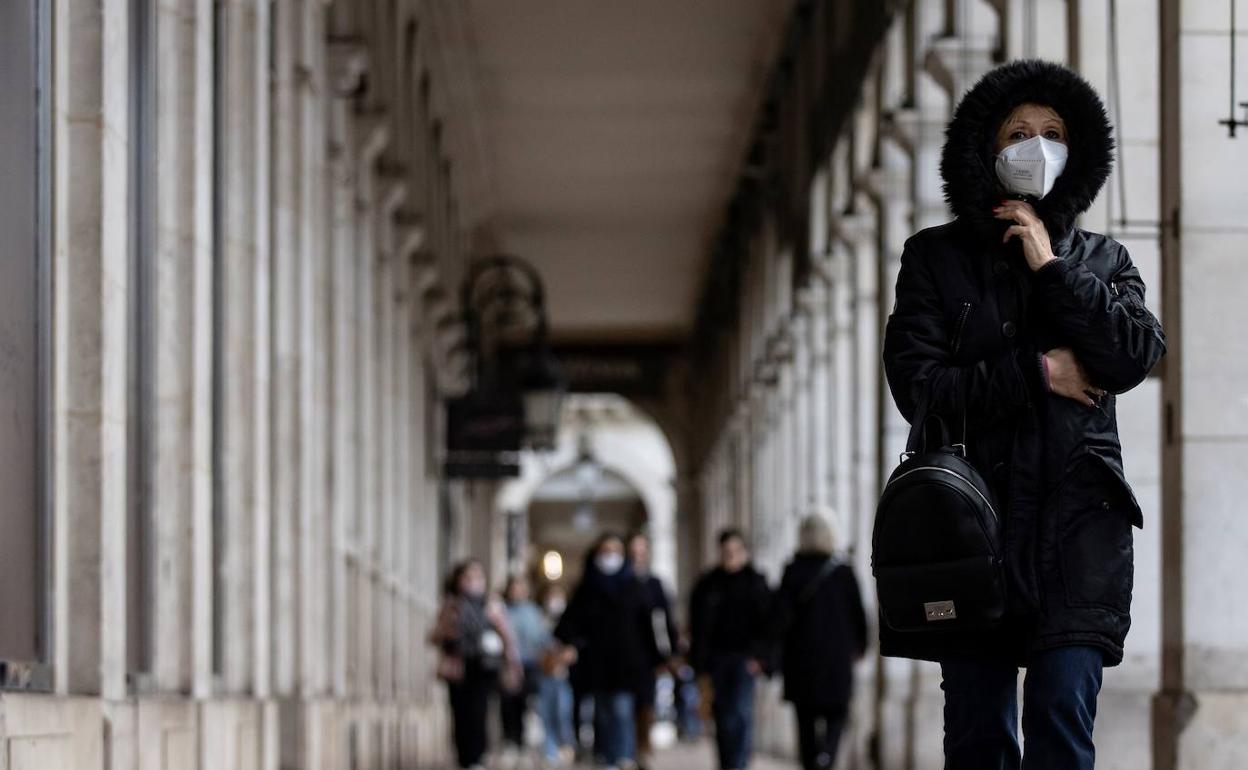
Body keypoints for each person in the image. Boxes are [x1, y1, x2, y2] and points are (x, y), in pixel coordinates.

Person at [882, 59, 1166, 769]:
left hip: (1078, 535)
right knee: (978, 737)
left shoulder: (1103, 261)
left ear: (1080, 150)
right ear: (985, 147)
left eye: (1053, 133)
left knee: (1061, 720)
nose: (1036, 147)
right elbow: (918, 387)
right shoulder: (934, 259)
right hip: (968, 529)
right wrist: (1038, 374)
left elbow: (1135, 355)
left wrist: (1052, 268)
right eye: (1017, 133)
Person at [771, 512, 867, 770]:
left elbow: (779, 617)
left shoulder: (792, 572)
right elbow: (859, 615)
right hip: (836, 659)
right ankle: (827, 758)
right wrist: (860, 647)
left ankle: (812, 762)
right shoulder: (844, 572)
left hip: (801, 660)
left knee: (805, 720)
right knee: (836, 715)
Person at [555, 533, 658, 770]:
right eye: (605, 551)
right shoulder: (586, 589)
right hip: (596, 665)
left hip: (627, 665)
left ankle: (623, 757)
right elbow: (569, 625)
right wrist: (571, 644)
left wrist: (655, 659)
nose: (610, 556)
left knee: (622, 710)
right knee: (602, 713)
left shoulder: (634, 587)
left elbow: (648, 627)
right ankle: (607, 757)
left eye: (615, 551)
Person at [688, 528, 772, 770]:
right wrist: (699, 663)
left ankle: (739, 764)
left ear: (744, 552)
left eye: (736, 551)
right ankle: (728, 763)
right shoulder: (708, 584)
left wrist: (761, 657)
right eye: (727, 551)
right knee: (723, 716)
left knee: (741, 713)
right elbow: (698, 626)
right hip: (716, 660)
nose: (731, 556)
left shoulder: (756, 583)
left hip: (745, 660)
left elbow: (768, 625)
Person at [429, 559, 522, 770]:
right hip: (458, 666)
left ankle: (476, 758)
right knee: (460, 712)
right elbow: (435, 636)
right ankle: (464, 758)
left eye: (477, 577)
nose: (473, 582)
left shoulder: (492, 605)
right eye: (468, 577)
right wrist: (449, 628)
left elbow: (508, 637)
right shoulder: (451, 605)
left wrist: (511, 665)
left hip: (484, 666)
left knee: (479, 712)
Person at [625, 531, 679, 770]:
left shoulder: (654, 584)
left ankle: (642, 748)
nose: (637, 556)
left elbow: (666, 620)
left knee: (646, 703)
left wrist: (672, 653)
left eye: (641, 551)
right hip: (624, 654)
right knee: (625, 704)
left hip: (648, 655)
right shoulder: (621, 583)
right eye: (633, 552)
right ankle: (626, 749)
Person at [500, 574, 548, 759]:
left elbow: (541, 637)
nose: (517, 592)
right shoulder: (502, 610)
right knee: (509, 704)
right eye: (514, 588)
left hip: (530, 664)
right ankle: (510, 740)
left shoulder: (533, 612)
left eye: (520, 588)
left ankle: (524, 743)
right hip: (509, 664)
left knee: (527, 703)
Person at [536, 583, 577, 767]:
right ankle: (550, 749)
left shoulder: (570, 620)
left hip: (563, 676)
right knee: (546, 713)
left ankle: (566, 746)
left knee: (563, 712)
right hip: (544, 674)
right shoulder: (539, 619)